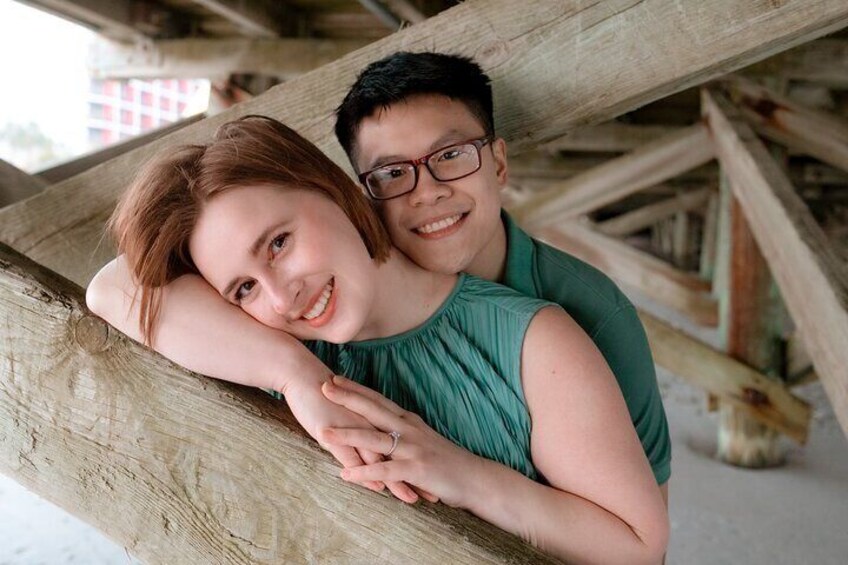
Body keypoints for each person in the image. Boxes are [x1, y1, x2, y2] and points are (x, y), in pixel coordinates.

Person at [88, 115, 668, 563]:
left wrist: (465, 476)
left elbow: (639, 549)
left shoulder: (533, 339)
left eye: (279, 243)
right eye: (244, 288)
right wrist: (295, 373)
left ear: (331, 189)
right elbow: (111, 288)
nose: (282, 298)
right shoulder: (276, 351)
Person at [335, 51, 672, 500]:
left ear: (498, 163)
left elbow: (647, 512)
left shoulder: (595, 311)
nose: (428, 193)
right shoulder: (337, 298)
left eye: (451, 155)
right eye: (392, 172)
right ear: (366, 196)